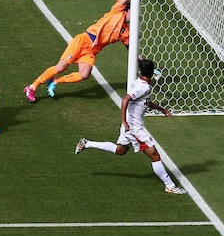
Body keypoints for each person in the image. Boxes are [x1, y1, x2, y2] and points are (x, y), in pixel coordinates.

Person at [74, 59, 187, 195]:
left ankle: (87, 143)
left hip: (129, 126)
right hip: (133, 128)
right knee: (154, 155)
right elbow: (125, 99)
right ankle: (170, 186)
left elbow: (143, 102)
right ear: (152, 73)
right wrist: (124, 122)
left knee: (120, 150)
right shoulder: (143, 87)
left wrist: (161, 109)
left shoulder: (139, 83)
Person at [24, 0, 132, 103]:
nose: (134, 17)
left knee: (84, 74)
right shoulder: (117, 11)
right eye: (133, 13)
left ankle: (55, 81)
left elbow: (131, 48)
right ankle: (31, 87)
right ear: (127, 10)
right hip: (83, 41)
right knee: (60, 67)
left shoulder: (126, 32)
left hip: (91, 51)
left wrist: (142, 61)